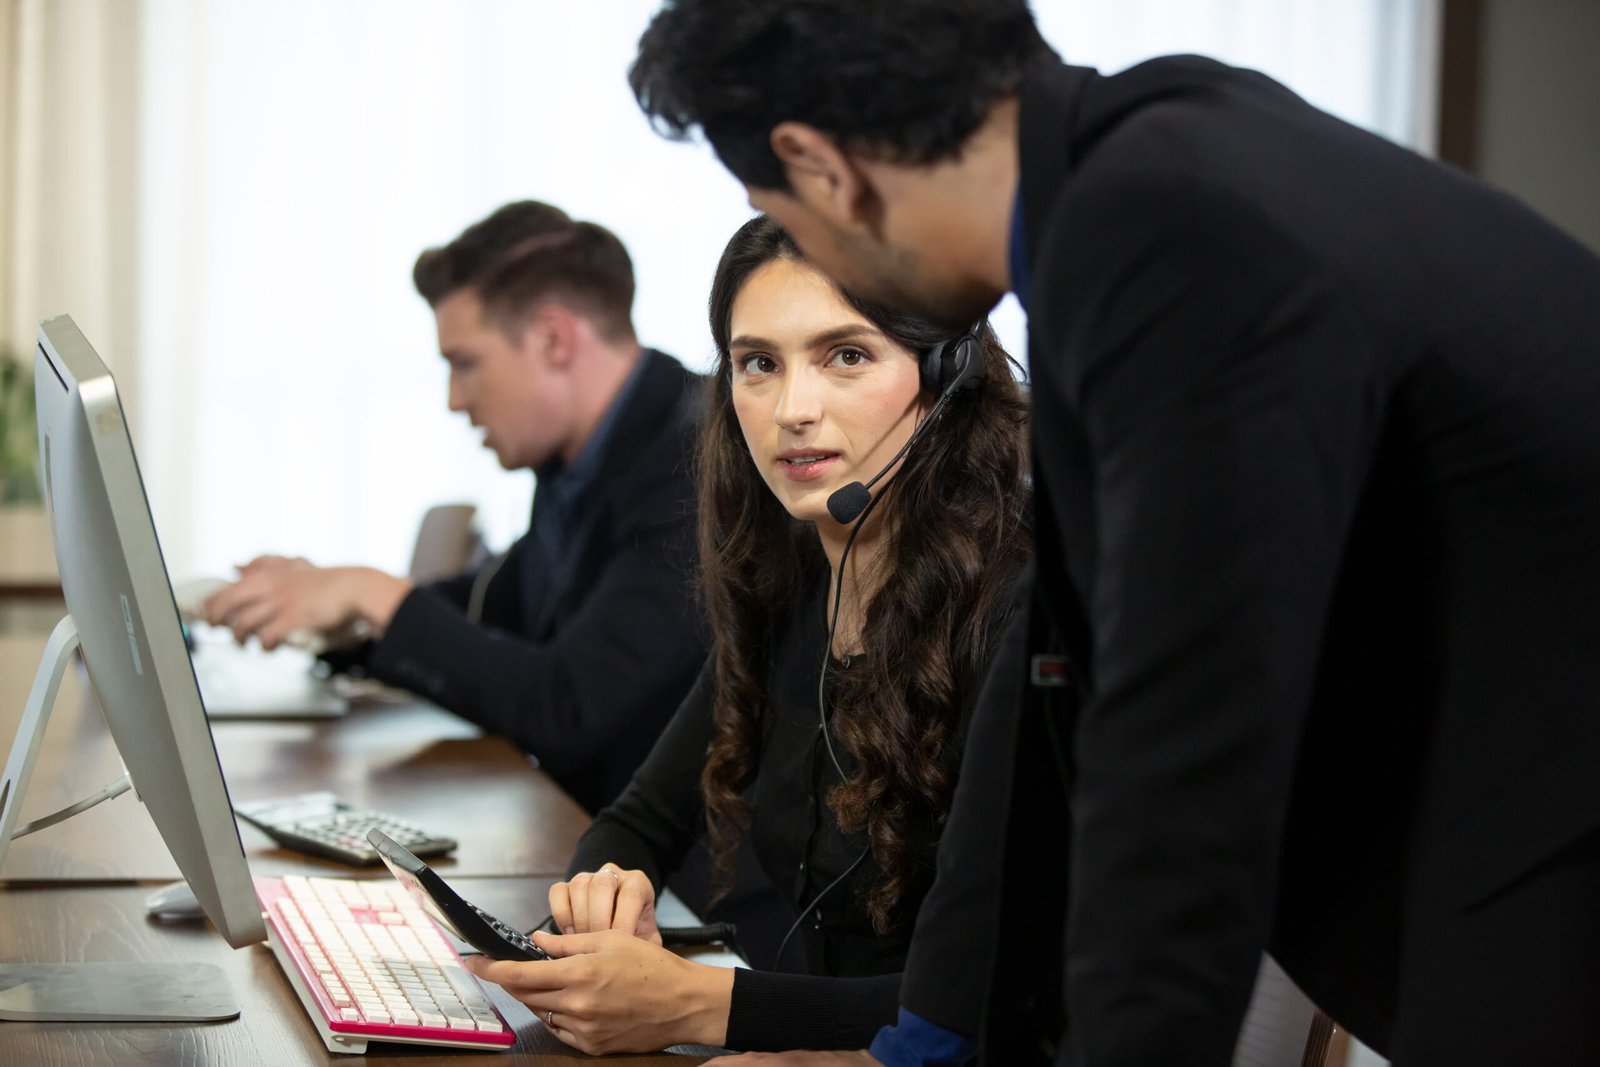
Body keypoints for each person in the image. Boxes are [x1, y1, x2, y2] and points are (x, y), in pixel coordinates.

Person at [626, 2, 1600, 1065]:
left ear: (823, 168)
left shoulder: (1165, 233)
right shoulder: (1150, 158)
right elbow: (1050, 669)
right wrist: (922, 1043)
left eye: (792, 222)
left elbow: (1184, 757)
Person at [464, 214, 1031, 1056]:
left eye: (847, 355)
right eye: (759, 363)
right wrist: (606, 888)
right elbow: (638, 821)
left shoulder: (1019, 614)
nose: (793, 409)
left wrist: (707, 1006)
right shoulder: (795, 582)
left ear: (945, 372)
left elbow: (994, 997)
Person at [202, 201, 708, 814]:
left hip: (682, 887)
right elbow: (496, 607)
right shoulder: (586, 455)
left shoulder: (694, 464)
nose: (454, 399)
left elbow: (571, 708)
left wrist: (373, 593)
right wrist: (338, 614)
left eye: (465, 363)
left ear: (553, 339)